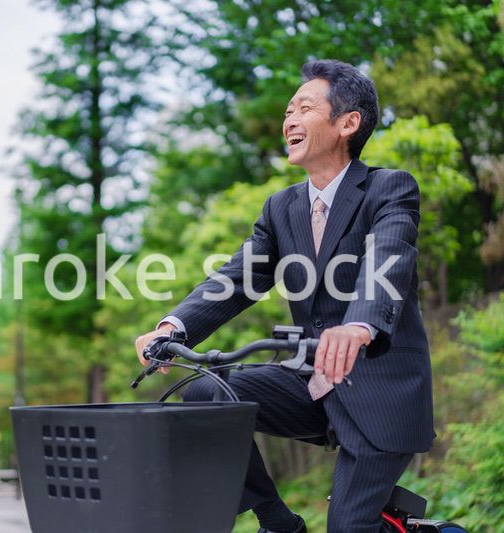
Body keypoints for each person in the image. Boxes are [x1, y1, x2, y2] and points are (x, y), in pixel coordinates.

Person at [134, 59, 434, 533]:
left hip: (379, 390)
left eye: (305, 107)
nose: (289, 119)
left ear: (347, 123)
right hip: (312, 383)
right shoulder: (281, 208)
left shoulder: (388, 189)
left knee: (348, 527)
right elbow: (238, 277)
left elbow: (387, 260)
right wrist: (174, 325)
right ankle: (278, 522)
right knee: (210, 392)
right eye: (288, 110)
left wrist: (358, 325)